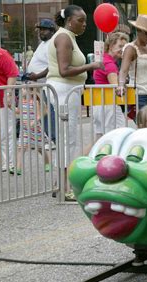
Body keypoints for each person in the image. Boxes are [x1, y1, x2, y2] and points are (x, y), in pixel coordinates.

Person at [47, 4, 104, 200]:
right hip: (63, 90)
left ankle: (60, 184)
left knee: (67, 138)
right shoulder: (63, 37)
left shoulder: (67, 36)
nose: (84, 25)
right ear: (69, 21)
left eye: (85, 21)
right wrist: (92, 65)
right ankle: (64, 188)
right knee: (67, 139)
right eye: (80, 21)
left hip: (67, 90)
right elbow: (64, 70)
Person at [92, 32, 129, 141]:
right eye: (120, 46)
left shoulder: (103, 59)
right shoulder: (110, 64)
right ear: (111, 46)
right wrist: (123, 84)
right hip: (109, 105)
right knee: (118, 136)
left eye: (125, 47)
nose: (123, 50)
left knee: (99, 140)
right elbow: (117, 88)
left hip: (98, 104)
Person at [26, 19, 57, 147]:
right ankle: (45, 137)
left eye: (44, 29)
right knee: (41, 112)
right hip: (38, 84)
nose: (41, 32)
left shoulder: (52, 44)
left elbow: (52, 65)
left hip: (46, 84)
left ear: (52, 31)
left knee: (48, 112)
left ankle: (53, 138)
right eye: (40, 29)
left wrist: (37, 75)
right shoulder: (43, 44)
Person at [13, 88, 51, 175]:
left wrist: (33, 122)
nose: (22, 90)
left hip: (35, 129)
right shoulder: (21, 101)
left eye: (24, 89)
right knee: (21, 148)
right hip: (25, 130)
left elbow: (38, 115)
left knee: (40, 148)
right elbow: (18, 111)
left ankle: (47, 163)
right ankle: (18, 168)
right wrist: (11, 106)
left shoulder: (35, 102)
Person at [0, 43, 18, 172]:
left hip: (1, 100)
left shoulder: (1, 54)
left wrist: (8, 94)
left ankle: (9, 162)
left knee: (5, 132)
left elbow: (12, 74)